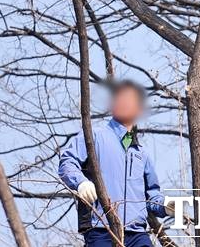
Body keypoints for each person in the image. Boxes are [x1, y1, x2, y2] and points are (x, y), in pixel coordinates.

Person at [59, 80, 174, 246]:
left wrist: (165, 206)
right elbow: (67, 162)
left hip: (136, 234)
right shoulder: (94, 136)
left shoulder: (142, 154)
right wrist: (81, 183)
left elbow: (151, 196)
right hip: (101, 228)